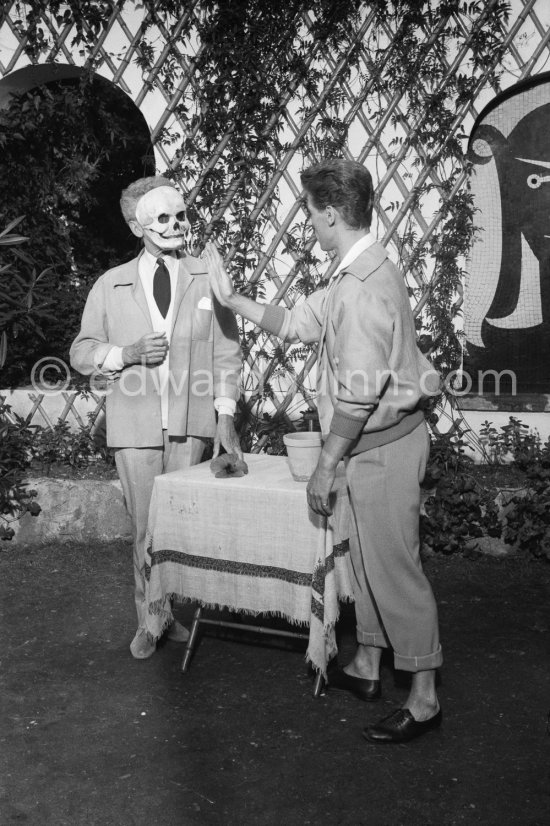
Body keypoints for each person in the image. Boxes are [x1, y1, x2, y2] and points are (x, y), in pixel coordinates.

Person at [205, 158, 442, 744]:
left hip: (380, 449)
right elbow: (298, 323)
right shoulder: (353, 271)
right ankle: (366, 665)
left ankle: (425, 696)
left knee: (394, 570)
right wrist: (233, 299)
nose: (308, 223)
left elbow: (359, 398)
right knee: (362, 562)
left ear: (330, 213)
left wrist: (327, 466)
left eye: (311, 212)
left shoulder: (360, 289)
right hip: (372, 447)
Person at [70, 176, 243, 660]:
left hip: (191, 424)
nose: (176, 226)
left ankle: (173, 615)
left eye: (181, 215)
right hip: (135, 426)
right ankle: (150, 620)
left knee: (182, 529)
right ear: (135, 226)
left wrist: (225, 415)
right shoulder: (111, 284)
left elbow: (228, 355)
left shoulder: (206, 277)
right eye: (162, 218)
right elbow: (82, 351)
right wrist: (125, 353)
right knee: (146, 528)